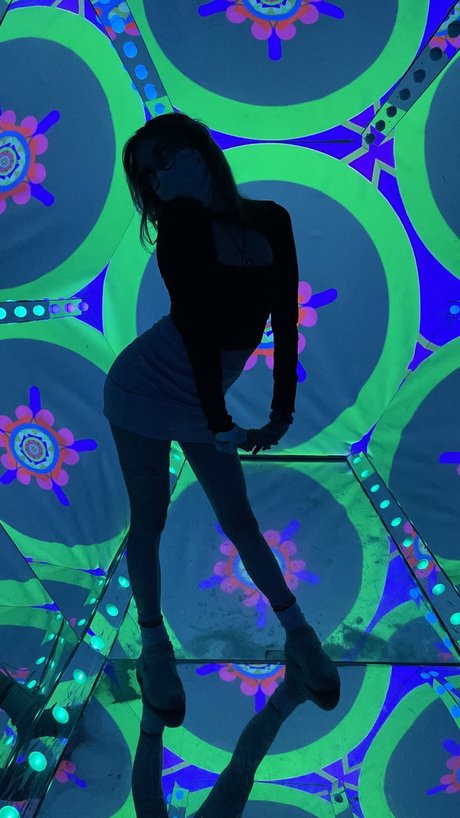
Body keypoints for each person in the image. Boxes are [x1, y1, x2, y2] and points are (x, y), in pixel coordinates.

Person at [103, 112, 340, 734]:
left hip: (203, 398)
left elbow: (285, 319)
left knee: (240, 520)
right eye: (148, 172)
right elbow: (202, 331)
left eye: (165, 156)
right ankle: (154, 648)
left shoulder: (271, 219)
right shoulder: (179, 230)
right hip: (144, 389)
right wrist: (220, 421)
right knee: (149, 519)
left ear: (199, 150)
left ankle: (299, 634)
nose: (159, 176)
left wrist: (282, 411)